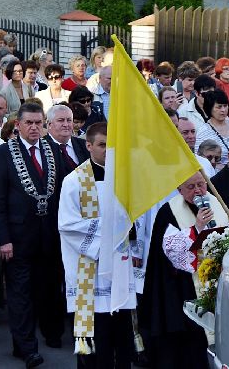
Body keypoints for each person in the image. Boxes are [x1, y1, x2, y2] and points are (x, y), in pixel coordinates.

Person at [0, 102, 63, 368]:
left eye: (38, 123)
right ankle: (26, 347)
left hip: (49, 237)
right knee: (20, 295)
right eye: (29, 123)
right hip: (18, 239)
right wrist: (3, 239)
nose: (34, 128)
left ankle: (49, 335)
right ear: (17, 124)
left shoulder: (53, 150)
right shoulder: (2, 154)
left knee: (47, 289)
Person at [58, 122, 136, 368]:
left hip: (122, 266)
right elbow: (68, 225)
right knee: (96, 343)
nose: (107, 150)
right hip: (90, 269)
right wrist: (109, 232)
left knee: (122, 339)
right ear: (89, 145)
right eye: (102, 145)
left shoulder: (126, 178)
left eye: (111, 145)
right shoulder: (75, 181)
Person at [141, 171, 229, 369]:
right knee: (191, 345)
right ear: (179, 189)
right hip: (184, 286)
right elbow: (170, 252)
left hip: (216, 279)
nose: (198, 191)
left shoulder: (216, 203)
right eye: (191, 187)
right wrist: (197, 227)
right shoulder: (169, 211)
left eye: (201, 184)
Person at [194, 89, 229, 165]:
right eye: (219, 107)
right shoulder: (203, 131)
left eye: (225, 106)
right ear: (210, 108)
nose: (223, 110)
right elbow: (200, 160)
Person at [45, 105, 90, 181]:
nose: (66, 124)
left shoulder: (84, 144)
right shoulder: (41, 147)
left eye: (69, 120)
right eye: (61, 120)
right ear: (49, 124)